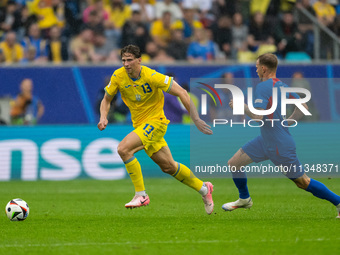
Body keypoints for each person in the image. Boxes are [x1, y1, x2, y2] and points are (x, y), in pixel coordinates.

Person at [97, 45, 214, 214]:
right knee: (169, 167)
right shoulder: (118, 76)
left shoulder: (152, 76)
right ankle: (204, 189)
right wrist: (103, 116)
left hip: (156, 123)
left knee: (124, 149)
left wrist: (195, 118)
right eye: (123, 60)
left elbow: (182, 92)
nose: (126, 64)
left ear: (139, 60)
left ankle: (141, 195)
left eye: (130, 60)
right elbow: (106, 99)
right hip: (140, 125)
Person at [222, 53, 340, 218]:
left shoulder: (263, 87)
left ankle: (339, 202)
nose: (256, 70)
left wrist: (242, 106)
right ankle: (244, 199)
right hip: (266, 139)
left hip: (278, 144)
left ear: (263, 68)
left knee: (303, 182)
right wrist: (288, 121)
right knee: (234, 163)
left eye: (257, 67)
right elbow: (303, 106)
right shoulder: (283, 85)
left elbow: (259, 117)